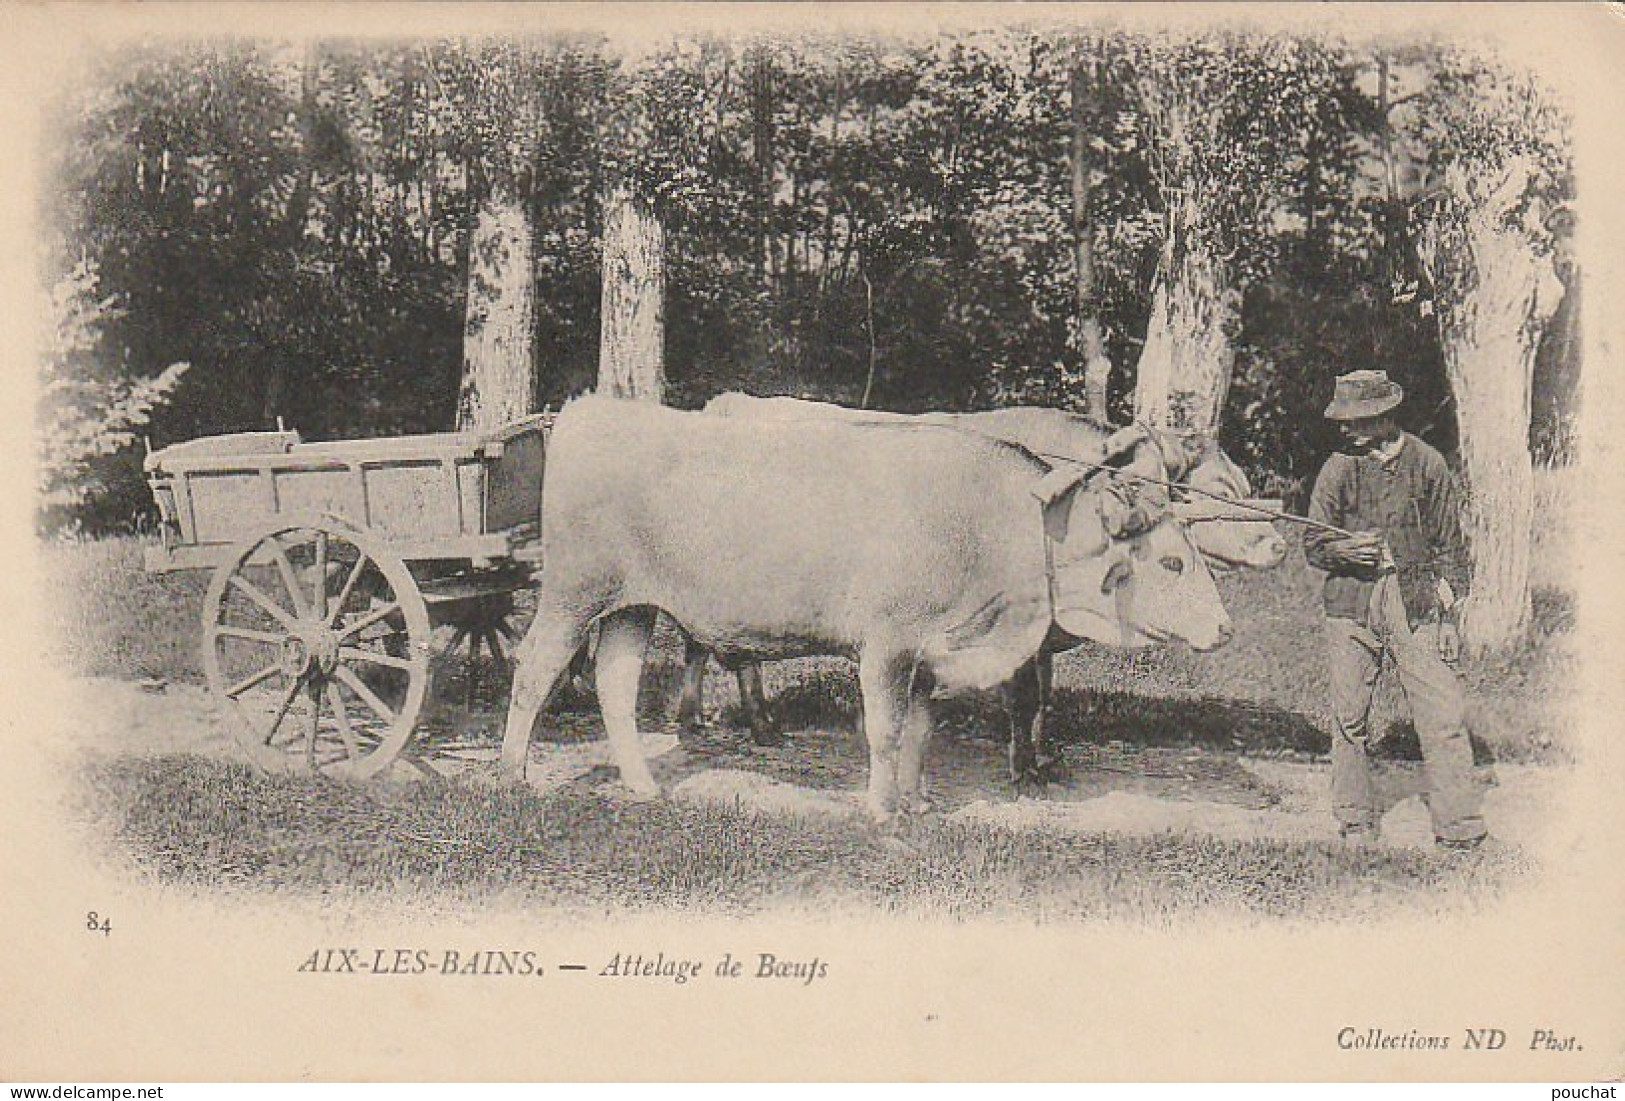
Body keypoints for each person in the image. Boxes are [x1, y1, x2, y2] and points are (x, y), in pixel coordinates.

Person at [1302, 370, 1487, 851]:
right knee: (1349, 717)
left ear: (1383, 416)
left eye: (1355, 420)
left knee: (1441, 715)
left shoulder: (1428, 464)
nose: (1345, 429)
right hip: (1350, 604)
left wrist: (1448, 618)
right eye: (1343, 420)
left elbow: (1451, 548)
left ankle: (1459, 826)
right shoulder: (1338, 467)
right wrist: (1346, 552)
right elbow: (1313, 541)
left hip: (1417, 604)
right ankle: (1356, 821)